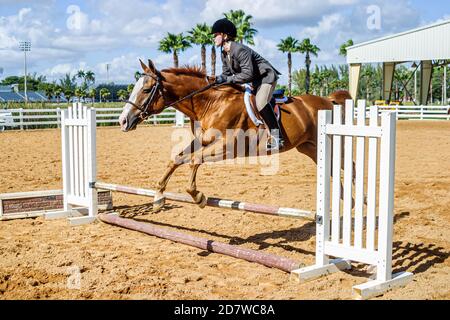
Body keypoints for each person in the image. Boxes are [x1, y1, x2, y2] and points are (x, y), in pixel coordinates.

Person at [211, 18, 284, 150]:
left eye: (216, 35)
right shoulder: (224, 53)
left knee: (261, 102)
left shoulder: (239, 50)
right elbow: (226, 75)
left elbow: (247, 74)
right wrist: (214, 80)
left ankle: (277, 137)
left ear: (225, 36)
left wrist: (226, 79)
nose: (214, 38)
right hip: (255, 81)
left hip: (266, 77)